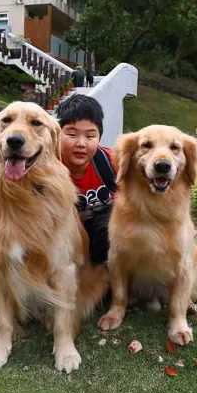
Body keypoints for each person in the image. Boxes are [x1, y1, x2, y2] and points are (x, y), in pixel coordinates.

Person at [57, 94, 117, 265]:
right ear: (57, 134)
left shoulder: (112, 163)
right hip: (64, 242)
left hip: (104, 238)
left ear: (99, 138)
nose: (81, 143)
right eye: (72, 134)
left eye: (90, 136)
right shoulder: (47, 169)